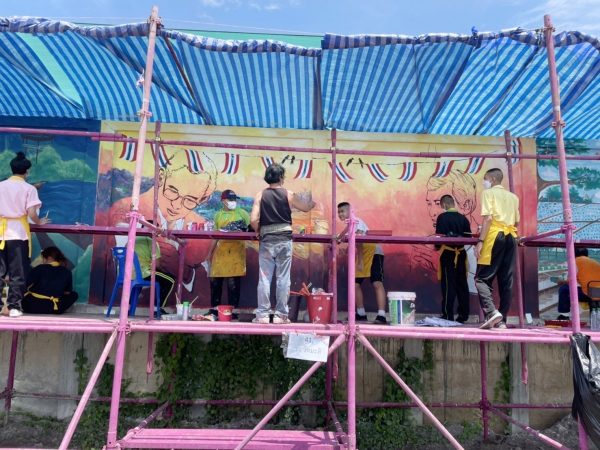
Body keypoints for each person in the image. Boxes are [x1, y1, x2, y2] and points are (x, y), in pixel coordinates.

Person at [250, 163, 315, 324]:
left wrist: (258, 230)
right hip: (284, 239)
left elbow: (253, 219)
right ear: (280, 177)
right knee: (283, 278)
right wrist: (312, 203)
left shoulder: (260, 195)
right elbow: (306, 207)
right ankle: (281, 315)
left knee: (264, 278)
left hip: (267, 239)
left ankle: (263, 315)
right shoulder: (289, 194)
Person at [0, 152, 50, 317]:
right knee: (18, 273)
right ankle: (14, 306)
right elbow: (31, 212)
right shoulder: (29, 189)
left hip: (1, 232)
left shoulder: (1, 186)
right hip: (18, 234)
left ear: (12, 169)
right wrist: (39, 222)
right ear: (27, 171)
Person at [474, 168, 519, 329]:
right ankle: (501, 320)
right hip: (511, 237)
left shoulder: (488, 193)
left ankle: (491, 312)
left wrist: (480, 240)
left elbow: (488, 219)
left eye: (485, 179)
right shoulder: (513, 197)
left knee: (481, 278)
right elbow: (516, 222)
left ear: (492, 179)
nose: (484, 182)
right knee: (506, 280)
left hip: (495, 236)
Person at [337, 202, 387, 325]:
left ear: (350, 211)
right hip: (363, 254)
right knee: (355, 284)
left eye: (342, 211)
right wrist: (338, 238)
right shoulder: (349, 225)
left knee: (377, 282)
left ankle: (382, 315)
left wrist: (359, 261)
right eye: (338, 212)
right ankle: (361, 313)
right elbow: (344, 234)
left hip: (373, 252)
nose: (340, 214)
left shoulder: (356, 221)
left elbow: (359, 240)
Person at [205, 189, 250, 320]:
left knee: (233, 285)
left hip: (236, 254)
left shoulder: (243, 214)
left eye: (234, 199)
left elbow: (250, 230)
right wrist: (209, 254)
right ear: (223, 201)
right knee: (215, 284)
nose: (232, 202)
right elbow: (215, 237)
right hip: (221, 254)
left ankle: (233, 312)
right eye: (230, 199)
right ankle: (214, 311)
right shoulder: (218, 215)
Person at [435, 195, 471, 323]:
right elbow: (469, 237)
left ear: (444, 205)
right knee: (462, 284)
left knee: (448, 285)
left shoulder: (442, 218)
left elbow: (439, 237)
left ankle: (447, 314)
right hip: (461, 254)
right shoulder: (463, 218)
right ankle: (463, 315)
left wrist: (437, 247)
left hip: (448, 254)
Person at [22, 246, 78, 314]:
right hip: (53, 307)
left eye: (42, 257)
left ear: (49, 257)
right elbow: (67, 293)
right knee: (74, 295)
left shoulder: (39, 268)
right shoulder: (67, 271)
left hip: (32, 307)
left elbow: (26, 285)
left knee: (26, 295)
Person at [556, 248, 600, 320]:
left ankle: (564, 315)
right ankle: (594, 319)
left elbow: (571, 280)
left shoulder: (575, 262)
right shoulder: (595, 262)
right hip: (597, 292)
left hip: (589, 293)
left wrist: (562, 281)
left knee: (564, 289)